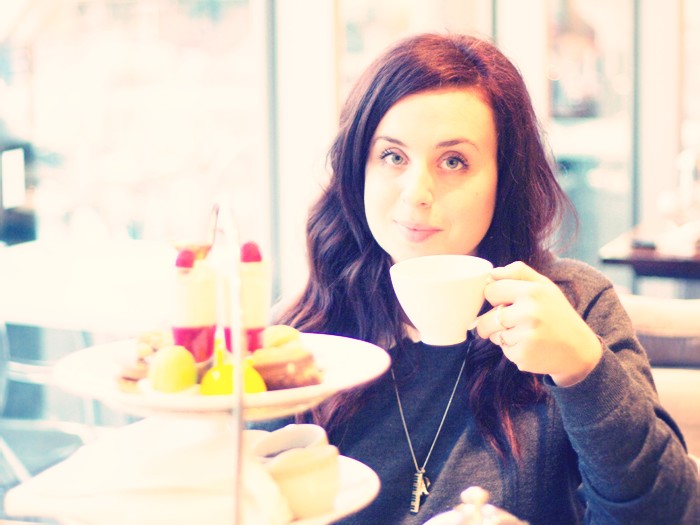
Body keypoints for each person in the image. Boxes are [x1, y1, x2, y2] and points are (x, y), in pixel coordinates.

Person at [275, 33, 699, 524]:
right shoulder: (304, 339)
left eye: (454, 161)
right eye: (393, 156)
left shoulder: (573, 307)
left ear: (504, 176)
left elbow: (671, 514)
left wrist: (583, 367)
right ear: (358, 169)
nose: (417, 193)